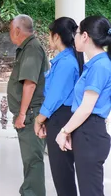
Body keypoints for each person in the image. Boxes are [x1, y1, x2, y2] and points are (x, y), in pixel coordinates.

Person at [55, 15, 111, 196]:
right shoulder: (96, 64)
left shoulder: (100, 66)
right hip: (87, 132)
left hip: (90, 134)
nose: (75, 37)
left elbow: (87, 107)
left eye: (77, 33)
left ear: (85, 36)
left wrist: (64, 132)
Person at [33, 17, 83, 196]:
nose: (48, 39)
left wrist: (39, 119)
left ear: (56, 36)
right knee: (62, 171)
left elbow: (54, 96)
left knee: (62, 172)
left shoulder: (66, 62)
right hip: (59, 116)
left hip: (61, 117)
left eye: (49, 35)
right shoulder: (66, 59)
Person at [7, 14, 49, 196]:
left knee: (33, 159)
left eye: (10, 29)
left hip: (31, 114)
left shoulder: (32, 48)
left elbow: (30, 83)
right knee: (30, 159)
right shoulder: (28, 48)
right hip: (30, 113)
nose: (10, 33)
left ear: (17, 30)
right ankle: (29, 191)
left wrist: (22, 114)